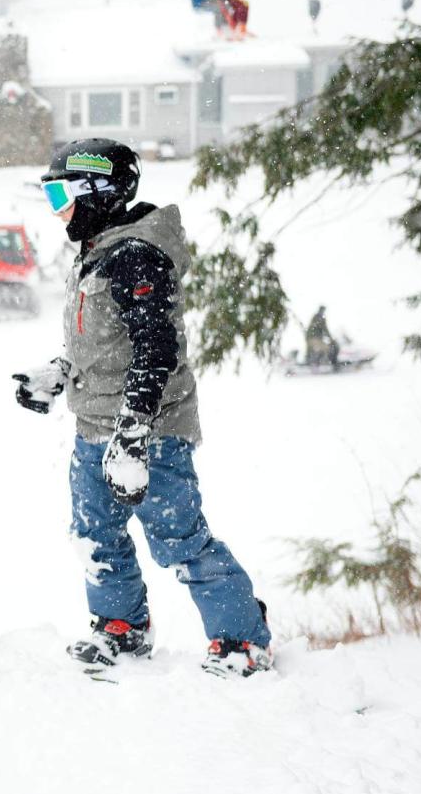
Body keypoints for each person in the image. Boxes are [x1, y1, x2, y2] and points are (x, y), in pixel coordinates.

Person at [14, 138, 272, 679]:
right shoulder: (100, 249)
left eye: (62, 193)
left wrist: (133, 430)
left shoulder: (136, 255)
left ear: (99, 192)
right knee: (95, 535)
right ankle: (120, 629)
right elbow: (106, 343)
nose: (58, 208)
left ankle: (242, 639)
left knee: (179, 539)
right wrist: (59, 375)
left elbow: (157, 349)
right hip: (93, 429)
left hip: (147, 432)